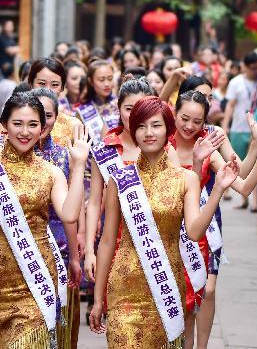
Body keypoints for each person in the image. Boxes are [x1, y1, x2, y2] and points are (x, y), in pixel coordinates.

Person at [88, 96, 239, 346]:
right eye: (141, 126)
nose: (149, 133)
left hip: (166, 288)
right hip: (123, 290)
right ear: (133, 130)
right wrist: (97, 299)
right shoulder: (119, 179)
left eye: (156, 125)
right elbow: (106, 243)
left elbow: (193, 231)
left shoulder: (186, 179)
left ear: (168, 129)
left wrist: (218, 190)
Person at [0, 93, 89, 348]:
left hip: (37, 277)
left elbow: (69, 214)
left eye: (33, 124)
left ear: (42, 128)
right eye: (17, 124)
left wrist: (78, 167)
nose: (25, 131)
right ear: (4, 126)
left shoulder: (51, 172)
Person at [171, 92, 257, 349]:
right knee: (179, 301)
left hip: (200, 233)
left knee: (204, 292)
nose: (189, 126)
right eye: (184, 118)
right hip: (168, 232)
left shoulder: (209, 149)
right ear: (173, 114)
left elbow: (242, 186)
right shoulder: (162, 145)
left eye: (197, 122)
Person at [83, 78, 156, 284]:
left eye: (142, 109)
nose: (134, 115)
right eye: (129, 108)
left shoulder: (163, 148)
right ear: (119, 108)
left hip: (154, 240)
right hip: (112, 239)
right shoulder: (105, 150)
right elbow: (95, 202)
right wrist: (90, 250)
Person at [31, 88, 83, 347]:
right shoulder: (6, 158)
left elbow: (70, 213)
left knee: (59, 321)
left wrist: (74, 255)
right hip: (21, 249)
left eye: (47, 115)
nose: (41, 122)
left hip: (58, 250)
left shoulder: (65, 155)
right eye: (36, 115)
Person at [221, 52, 257, 207]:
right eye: (252, 68)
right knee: (240, 163)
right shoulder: (236, 82)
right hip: (239, 127)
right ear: (245, 66)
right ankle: (243, 198)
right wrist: (225, 123)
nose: (255, 71)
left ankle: (254, 200)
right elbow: (230, 104)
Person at [81, 60, 119, 138]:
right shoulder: (82, 111)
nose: (107, 84)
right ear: (91, 81)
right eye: (101, 80)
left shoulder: (120, 104)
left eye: (110, 79)